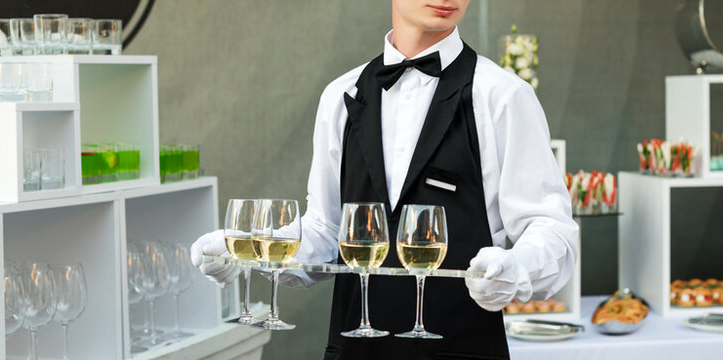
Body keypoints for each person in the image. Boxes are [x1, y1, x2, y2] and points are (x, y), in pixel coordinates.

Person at [191, 0, 578, 358]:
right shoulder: (339, 96)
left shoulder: (503, 96)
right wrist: (248, 251)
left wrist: (516, 268)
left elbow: (550, 227)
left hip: (462, 350)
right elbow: (326, 229)